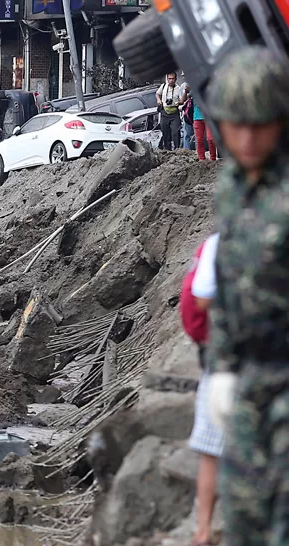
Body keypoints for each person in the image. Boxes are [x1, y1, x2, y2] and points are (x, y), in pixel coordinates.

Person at [203, 46, 289, 546]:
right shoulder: (232, 187)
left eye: (260, 124)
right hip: (251, 380)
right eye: (237, 125)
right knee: (244, 519)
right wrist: (222, 369)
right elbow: (228, 287)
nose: (248, 138)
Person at [181, 233, 223, 546]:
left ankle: (203, 531)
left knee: (210, 451)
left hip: (226, 359)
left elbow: (200, 297)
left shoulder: (218, 243)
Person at [157, 72, 189, 150]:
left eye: (173, 79)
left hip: (174, 112)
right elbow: (157, 94)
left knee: (175, 132)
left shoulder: (178, 88)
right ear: (167, 79)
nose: (171, 81)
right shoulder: (163, 86)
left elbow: (183, 100)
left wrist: (179, 101)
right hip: (165, 112)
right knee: (165, 132)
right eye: (169, 79)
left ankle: (177, 150)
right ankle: (167, 150)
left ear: (175, 79)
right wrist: (159, 100)